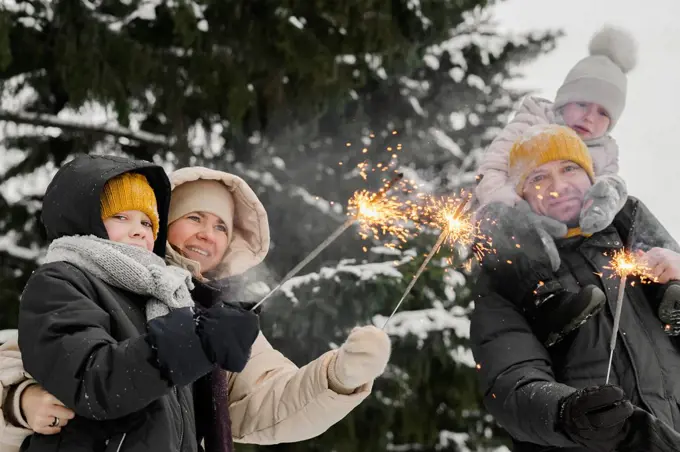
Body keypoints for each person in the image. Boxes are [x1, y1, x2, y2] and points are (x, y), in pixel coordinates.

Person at [0, 162, 391, 452]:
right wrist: (16, 401)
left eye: (222, 226)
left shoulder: (200, 309)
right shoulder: (86, 280)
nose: (208, 233)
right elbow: (53, 362)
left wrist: (337, 377)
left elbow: (266, 403)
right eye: (194, 218)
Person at [16, 154, 260, 452]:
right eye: (121, 217)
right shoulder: (60, 282)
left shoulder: (161, 292)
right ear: (83, 218)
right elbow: (90, 381)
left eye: (147, 221)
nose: (139, 230)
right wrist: (190, 342)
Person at [470, 125, 680, 451]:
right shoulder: (506, 274)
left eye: (569, 168)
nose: (558, 187)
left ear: (591, 176)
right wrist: (567, 412)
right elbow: (510, 382)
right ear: (520, 194)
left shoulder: (638, 239)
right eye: (538, 178)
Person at [475, 25, 637, 237]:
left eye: (603, 113)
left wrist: (607, 196)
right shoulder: (532, 123)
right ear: (563, 102)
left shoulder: (604, 150)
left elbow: (607, 182)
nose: (589, 117)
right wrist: (513, 210)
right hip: (515, 228)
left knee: (630, 213)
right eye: (581, 104)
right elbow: (492, 169)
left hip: (572, 237)